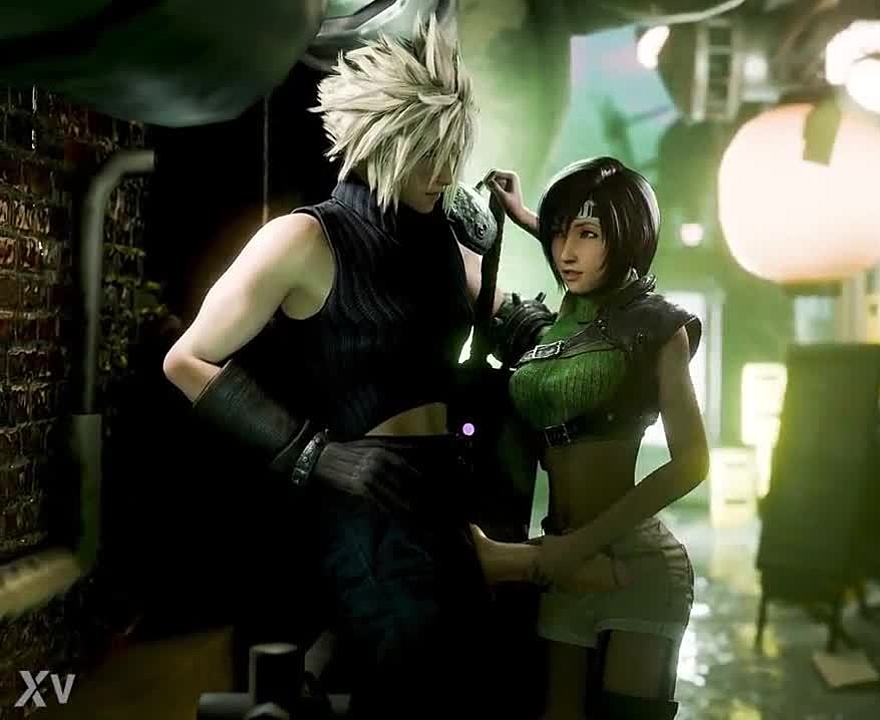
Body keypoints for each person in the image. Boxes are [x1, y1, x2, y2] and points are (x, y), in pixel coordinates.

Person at [161, 16, 620, 716]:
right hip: (364, 508)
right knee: (410, 683)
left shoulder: (441, 241)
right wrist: (316, 455)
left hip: (447, 495)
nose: (444, 171)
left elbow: (522, 323)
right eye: (428, 151)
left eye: (453, 151)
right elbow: (187, 360)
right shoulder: (303, 238)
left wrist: (535, 233)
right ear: (384, 140)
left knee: (465, 684)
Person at [485, 157, 710, 720]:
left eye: (586, 235)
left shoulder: (659, 326)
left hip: (633, 565)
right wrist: (528, 217)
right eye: (559, 234)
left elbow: (693, 462)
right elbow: (577, 253)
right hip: (563, 560)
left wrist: (575, 548)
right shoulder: (565, 318)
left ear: (626, 237)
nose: (566, 252)